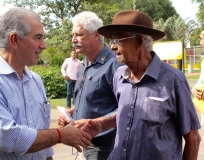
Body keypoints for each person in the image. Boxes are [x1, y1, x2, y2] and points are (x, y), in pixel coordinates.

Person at [0, 7, 91, 160]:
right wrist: (59, 135)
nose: (44, 45)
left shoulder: (35, 80)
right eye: (38, 38)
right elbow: (7, 138)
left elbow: (43, 144)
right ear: (14, 40)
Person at [82, 10, 201, 160]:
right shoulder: (119, 76)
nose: (112, 47)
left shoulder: (173, 80)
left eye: (118, 40)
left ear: (139, 42)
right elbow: (130, 113)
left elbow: (193, 139)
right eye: (112, 41)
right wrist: (102, 124)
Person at [58, 11, 121, 160]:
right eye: (73, 35)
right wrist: (71, 113)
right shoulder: (84, 64)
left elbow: (127, 107)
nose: (74, 40)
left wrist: (99, 123)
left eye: (79, 34)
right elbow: (91, 99)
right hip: (84, 143)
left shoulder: (114, 64)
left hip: (105, 146)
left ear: (96, 35)